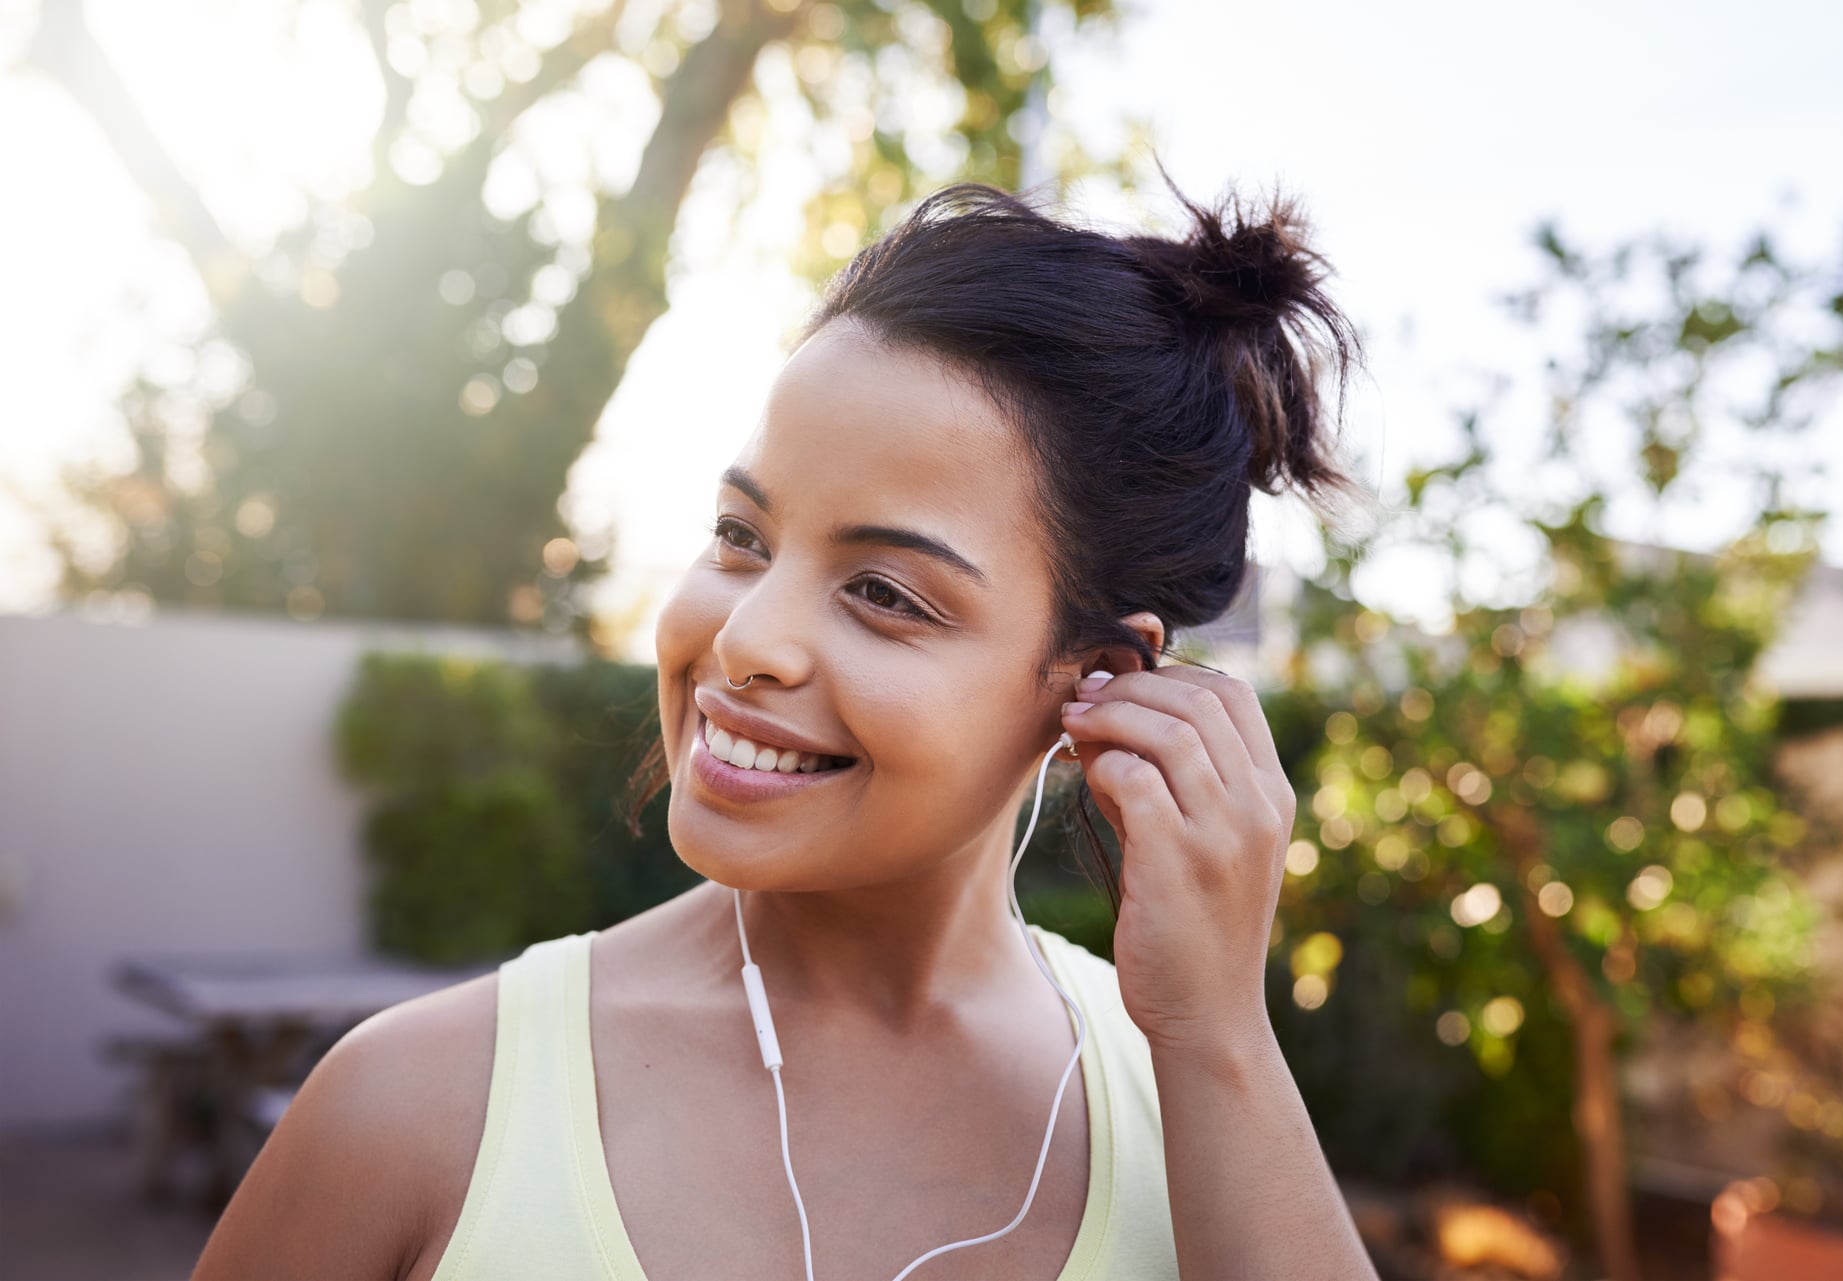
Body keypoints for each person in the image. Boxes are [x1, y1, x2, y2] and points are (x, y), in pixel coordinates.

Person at [191, 172, 1382, 1281]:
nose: (748, 636)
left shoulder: (1195, 1120)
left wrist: (1218, 1036)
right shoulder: (410, 1110)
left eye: (884, 593)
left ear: (1100, 681)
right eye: (741, 536)